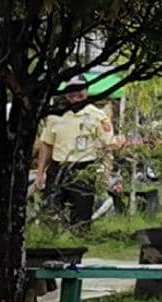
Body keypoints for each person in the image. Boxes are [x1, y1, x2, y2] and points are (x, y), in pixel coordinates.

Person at [34, 76, 115, 227]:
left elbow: (107, 147)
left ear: (87, 90)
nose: (75, 94)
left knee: (81, 220)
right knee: (49, 214)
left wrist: (106, 174)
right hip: (58, 168)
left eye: (79, 89)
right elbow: (46, 145)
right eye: (71, 90)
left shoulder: (98, 116)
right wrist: (40, 173)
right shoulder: (55, 115)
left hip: (83, 169)